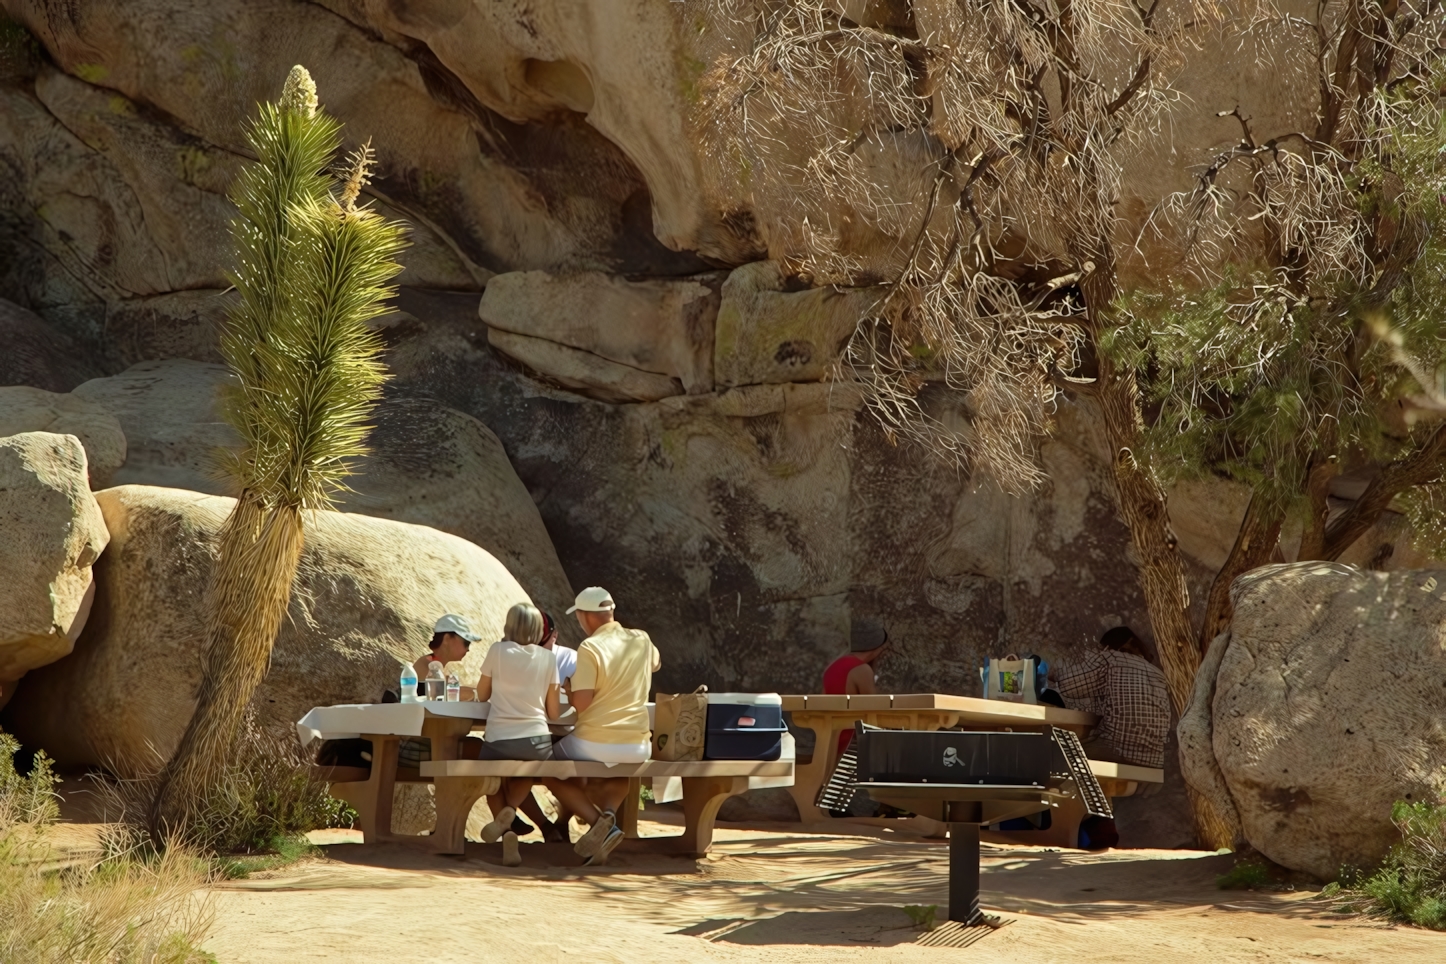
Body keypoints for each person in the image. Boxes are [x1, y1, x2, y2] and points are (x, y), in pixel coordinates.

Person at [541, 586, 660, 867]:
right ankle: (608, 812)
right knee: (620, 769)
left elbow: (581, 703)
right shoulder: (641, 639)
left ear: (584, 616)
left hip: (595, 741)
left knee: (547, 769)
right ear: (611, 611)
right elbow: (656, 663)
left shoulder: (590, 647)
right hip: (638, 744)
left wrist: (568, 690)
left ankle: (601, 825)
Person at [1056, 625, 1169, 850]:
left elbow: (1069, 686)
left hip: (1118, 747)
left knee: (1059, 756)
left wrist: (1054, 674)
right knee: (1094, 773)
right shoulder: (1156, 672)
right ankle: (1101, 831)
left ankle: (1071, 830)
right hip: (1153, 758)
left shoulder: (1110, 659)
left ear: (1108, 646)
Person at [466, 602, 560, 868]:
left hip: (499, 740)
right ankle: (511, 811)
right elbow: (553, 711)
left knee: (492, 777)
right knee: (527, 769)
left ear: (509, 625)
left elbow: (482, 695)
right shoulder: (548, 658)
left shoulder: (497, 651)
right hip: (537, 741)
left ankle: (507, 831)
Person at [820, 619, 890, 817]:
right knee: (895, 745)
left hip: (832, 734)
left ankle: (834, 803)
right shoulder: (861, 670)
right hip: (852, 738)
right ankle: (890, 807)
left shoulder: (833, 667)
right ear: (877, 648)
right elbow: (874, 707)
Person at [396, 614, 483, 771]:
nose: (468, 648)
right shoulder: (428, 665)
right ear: (448, 639)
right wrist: (479, 693)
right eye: (465, 642)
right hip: (414, 747)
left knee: (480, 749)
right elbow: (450, 694)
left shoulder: (436, 666)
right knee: (480, 750)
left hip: (430, 742)